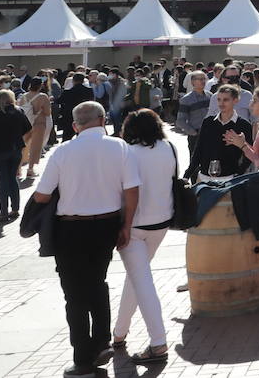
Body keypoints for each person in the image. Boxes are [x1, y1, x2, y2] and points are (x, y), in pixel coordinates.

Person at [32, 101, 140, 377]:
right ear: (103, 120)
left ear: (74, 125)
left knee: (74, 294)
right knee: (96, 282)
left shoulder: (63, 151)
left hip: (71, 228)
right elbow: (131, 190)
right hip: (106, 225)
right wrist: (126, 225)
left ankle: (83, 357)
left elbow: (43, 194)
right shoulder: (119, 147)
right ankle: (102, 340)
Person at [110, 109, 175, 365]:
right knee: (137, 278)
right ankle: (119, 332)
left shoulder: (127, 152)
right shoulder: (168, 147)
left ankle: (158, 341)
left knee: (142, 281)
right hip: (161, 222)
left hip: (134, 225)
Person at [184, 85, 251, 181]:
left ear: (235, 100)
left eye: (226, 100)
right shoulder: (208, 122)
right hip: (204, 178)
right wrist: (186, 175)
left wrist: (238, 173)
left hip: (229, 180)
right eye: (219, 99)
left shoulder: (244, 125)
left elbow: (248, 154)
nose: (221, 103)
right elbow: (198, 150)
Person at [0, 89, 31, 222]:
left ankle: (3, 213)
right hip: (15, 149)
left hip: (0, 150)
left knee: (2, 183)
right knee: (12, 179)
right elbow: (29, 129)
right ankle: (15, 209)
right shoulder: (19, 112)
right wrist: (21, 141)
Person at [20, 77, 52, 180]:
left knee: (22, 146)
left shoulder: (23, 96)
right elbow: (47, 113)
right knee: (35, 147)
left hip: (25, 123)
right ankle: (30, 169)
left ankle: (17, 168)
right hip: (39, 123)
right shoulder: (43, 97)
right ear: (41, 85)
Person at [175, 72, 211, 157]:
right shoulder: (186, 99)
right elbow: (180, 121)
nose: (203, 81)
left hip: (210, 133)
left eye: (204, 79)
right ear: (192, 82)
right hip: (196, 134)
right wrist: (193, 133)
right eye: (200, 79)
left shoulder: (210, 96)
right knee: (195, 163)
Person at [57, 73, 94, 142]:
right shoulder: (89, 91)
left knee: (67, 137)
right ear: (83, 81)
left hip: (70, 116)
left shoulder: (67, 92)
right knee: (83, 137)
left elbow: (59, 101)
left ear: (73, 81)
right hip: (84, 115)